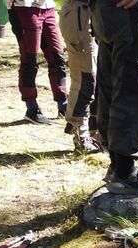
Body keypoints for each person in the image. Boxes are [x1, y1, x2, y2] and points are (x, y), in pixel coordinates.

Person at [90, 0, 138, 196]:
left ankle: (118, 166)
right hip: (131, 12)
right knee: (134, 85)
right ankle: (125, 173)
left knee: (112, 83)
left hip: (104, 11)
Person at [8, 0, 68, 125]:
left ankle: (63, 104)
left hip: (48, 7)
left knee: (57, 56)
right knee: (30, 59)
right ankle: (32, 108)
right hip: (24, 8)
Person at [59, 0, 100, 153]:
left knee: (99, 78)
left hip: (95, 15)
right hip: (80, 16)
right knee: (86, 78)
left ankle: (95, 131)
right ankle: (79, 134)